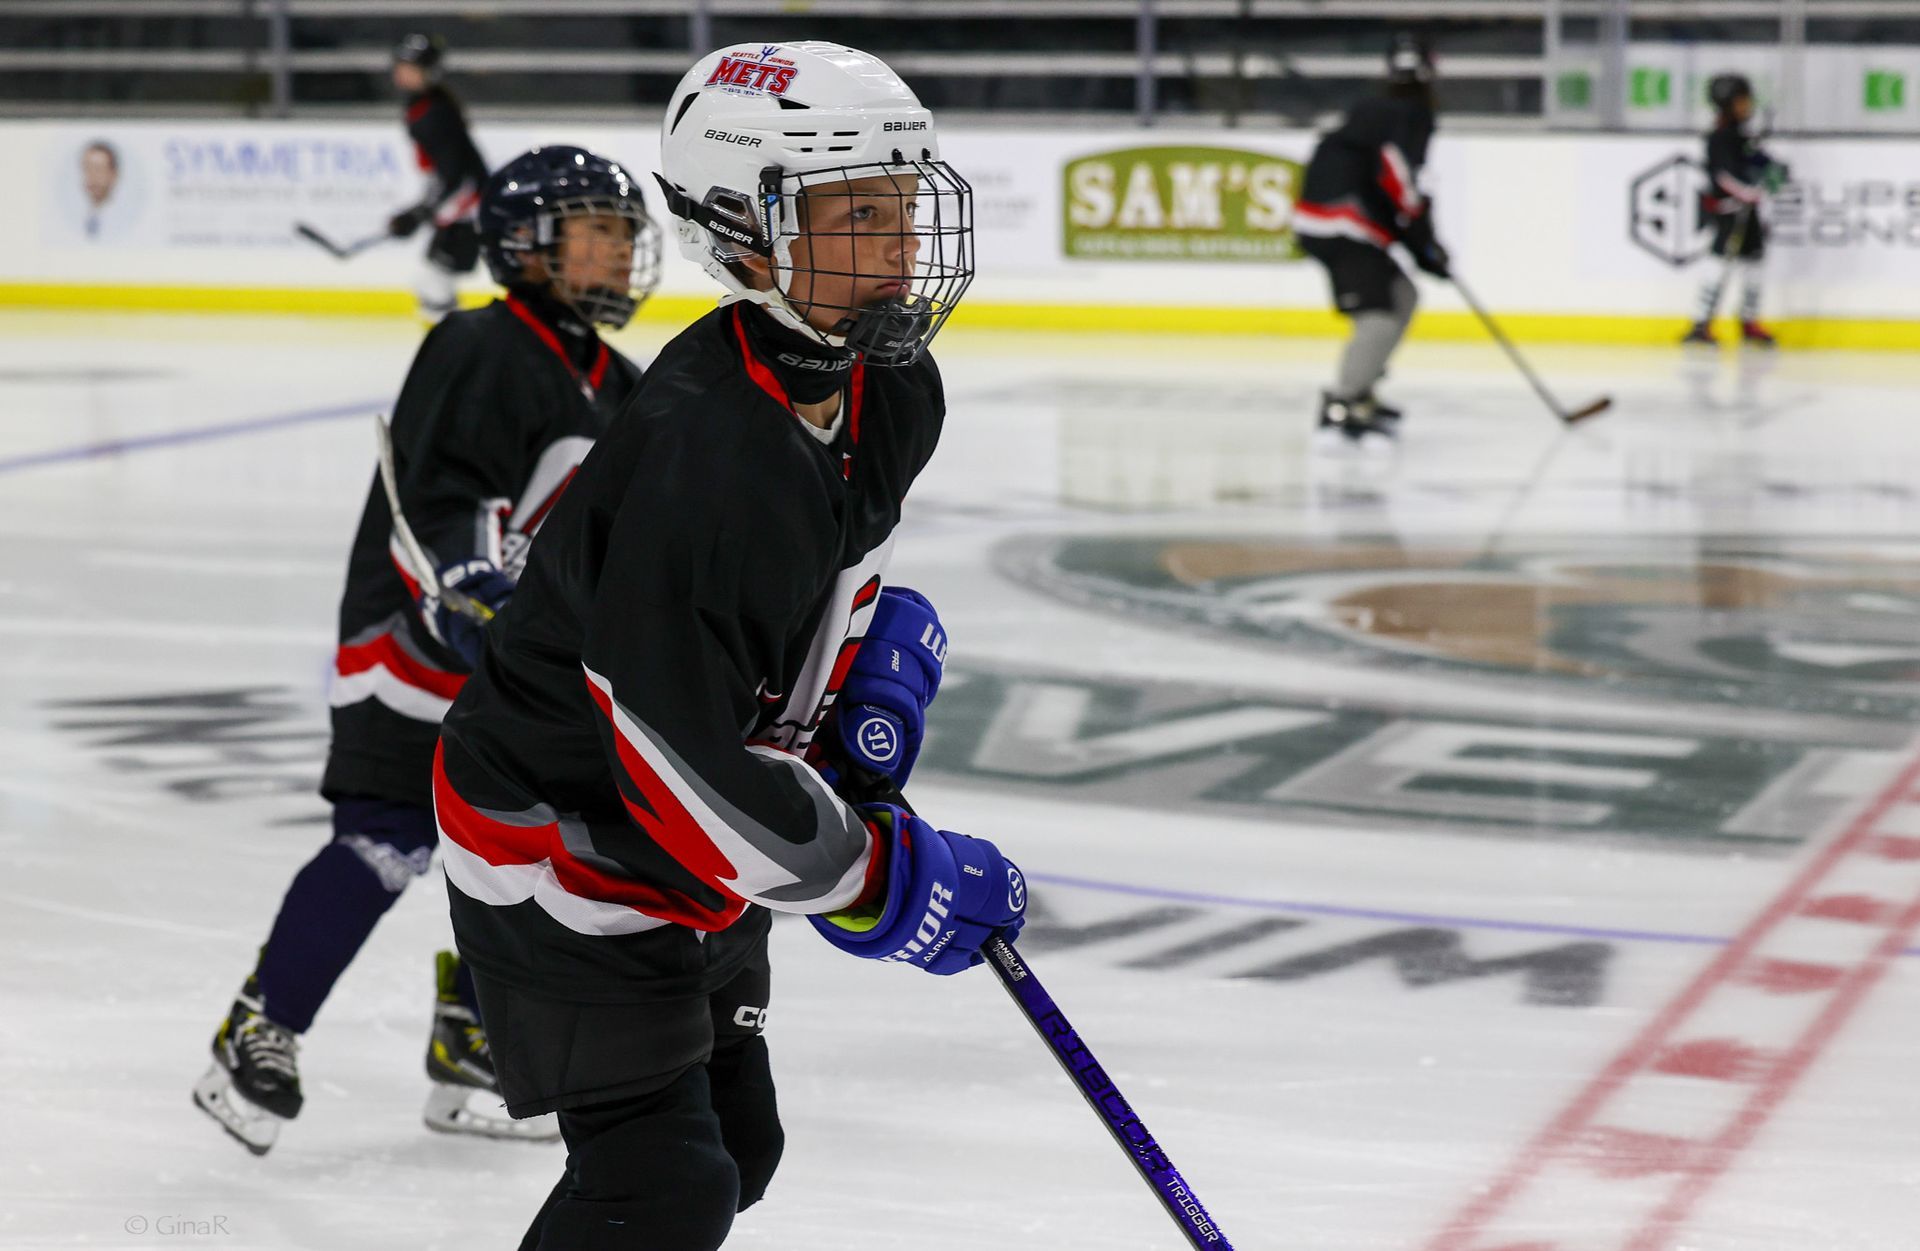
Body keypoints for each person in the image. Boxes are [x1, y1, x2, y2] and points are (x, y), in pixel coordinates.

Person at [431, 40, 1024, 1250]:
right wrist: (876, 881)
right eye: (859, 211)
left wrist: (863, 680)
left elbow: (829, 584)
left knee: (737, 1151)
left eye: (905, 202)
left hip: (684, 831)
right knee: (660, 1187)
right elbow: (667, 756)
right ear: (742, 230)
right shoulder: (711, 447)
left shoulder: (891, 383)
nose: (902, 243)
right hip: (563, 835)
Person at [192, 145, 661, 1156]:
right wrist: (472, 589)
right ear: (529, 245)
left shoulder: (618, 384)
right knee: (386, 839)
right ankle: (257, 1033)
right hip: (416, 646)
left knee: (525, 856)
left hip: (521, 671)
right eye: (600, 230)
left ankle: (473, 1049)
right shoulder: (484, 346)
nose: (622, 252)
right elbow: (445, 498)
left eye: (627, 234)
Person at [1293, 33, 1450, 447]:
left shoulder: (1372, 109)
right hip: (1342, 225)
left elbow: (1382, 182)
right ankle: (1342, 402)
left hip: (1332, 220)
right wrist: (1426, 245)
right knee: (1379, 316)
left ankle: (1360, 391)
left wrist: (1422, 246)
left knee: (1402, 294)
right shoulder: (1411, 116)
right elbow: (1401, 182)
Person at [388, 33, 491, 319]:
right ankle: (451, 350)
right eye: (400, 64)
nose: (401, 72)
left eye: (410, 67)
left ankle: (453, 352)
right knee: (431, 282)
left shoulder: (434, 113)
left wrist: (419, 214)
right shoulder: (426, 107)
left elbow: (456, 175)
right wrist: (420, 212)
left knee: (433, 283)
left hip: (469, 207)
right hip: (464, 204)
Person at [1681, 73, 1786, 348]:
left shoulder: (1741, 135)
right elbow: (1724, 175)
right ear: (1727, 103)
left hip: (1747, 211)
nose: (1747, 105)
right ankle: (1701, 323)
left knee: (1754, 260)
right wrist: (1750, 191)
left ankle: (1748, 320)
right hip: (1730, 212)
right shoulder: (1720, 137)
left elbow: (1757, 160)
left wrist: (1772, 168)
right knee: (1719, 263)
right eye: (1741, 100)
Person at [79, 141, 119, 240]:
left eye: (98, 170)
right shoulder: (78, 214)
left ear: (113, 175)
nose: (92, 177)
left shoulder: (122, 218)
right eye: (88, 169)